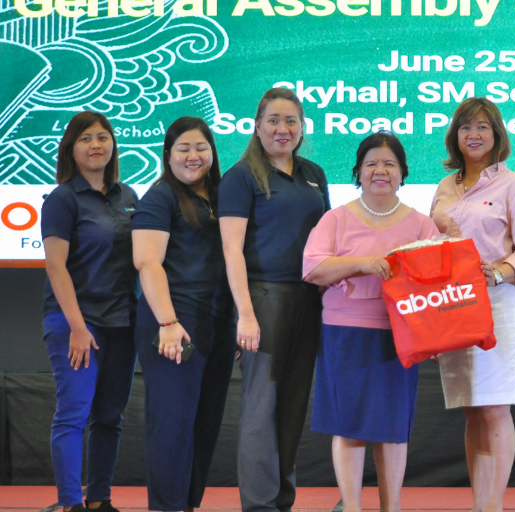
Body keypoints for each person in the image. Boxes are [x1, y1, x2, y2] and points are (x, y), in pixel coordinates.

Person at [302, 132, 439, 512]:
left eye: (389, 164)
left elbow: (437, 286)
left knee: (393, 429)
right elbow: (313, 268)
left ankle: (390, 507)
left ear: (403, 173)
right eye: (372, 163)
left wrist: (432, 337)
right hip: (345, 332)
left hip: (400, 337)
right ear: (358, 172)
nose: (381, 170)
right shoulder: (336, 218)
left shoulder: (422, 225)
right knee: (348, 425)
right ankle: (352, 506)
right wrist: (362, 264)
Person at [218, 87, 331, 512]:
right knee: (261, 408)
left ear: (302, 128)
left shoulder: (314, 173)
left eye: (291, 121)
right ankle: (259, 505)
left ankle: (282, 501)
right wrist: (245, 314)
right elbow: (231, 249)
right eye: (273, 120)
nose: (282, 129)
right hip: (263, 298)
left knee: (293, 405)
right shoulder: (241, 176)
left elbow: (326, 243)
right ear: (257, 126)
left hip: (309, 300)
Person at [430, 97, 515, 512]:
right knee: (472, 410)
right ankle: (480, 504)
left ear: (497, 134)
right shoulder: (445, 187)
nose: (473, 135)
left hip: (498, 306)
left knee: (494, 408)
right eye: (465, 127)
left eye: (482, 127)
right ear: (454, 136)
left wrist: (495, 272)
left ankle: (492, 506)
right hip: (451, 306)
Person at [132, 117, 234, 512]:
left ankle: (187, 504)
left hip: (217, 325)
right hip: (174, 325)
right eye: (183, 148)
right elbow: (147, 263)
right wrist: (168, 323)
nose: (194, 156)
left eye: (201, 147)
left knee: (205, 424)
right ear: (168, 155)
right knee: (172, 424)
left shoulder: (222, 195)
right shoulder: (161, 197)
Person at [41, 110, 138, 512]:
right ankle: (70, 504)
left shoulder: (129, 196)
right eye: (85, 138)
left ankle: (99, 501)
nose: (95, 145)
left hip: (123, 322)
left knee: (110, 417)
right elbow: (55, 267)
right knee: (73, 414)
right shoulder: (62, 198)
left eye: (102, 137)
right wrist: (78, 328)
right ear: (71, 148)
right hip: (75, 323)